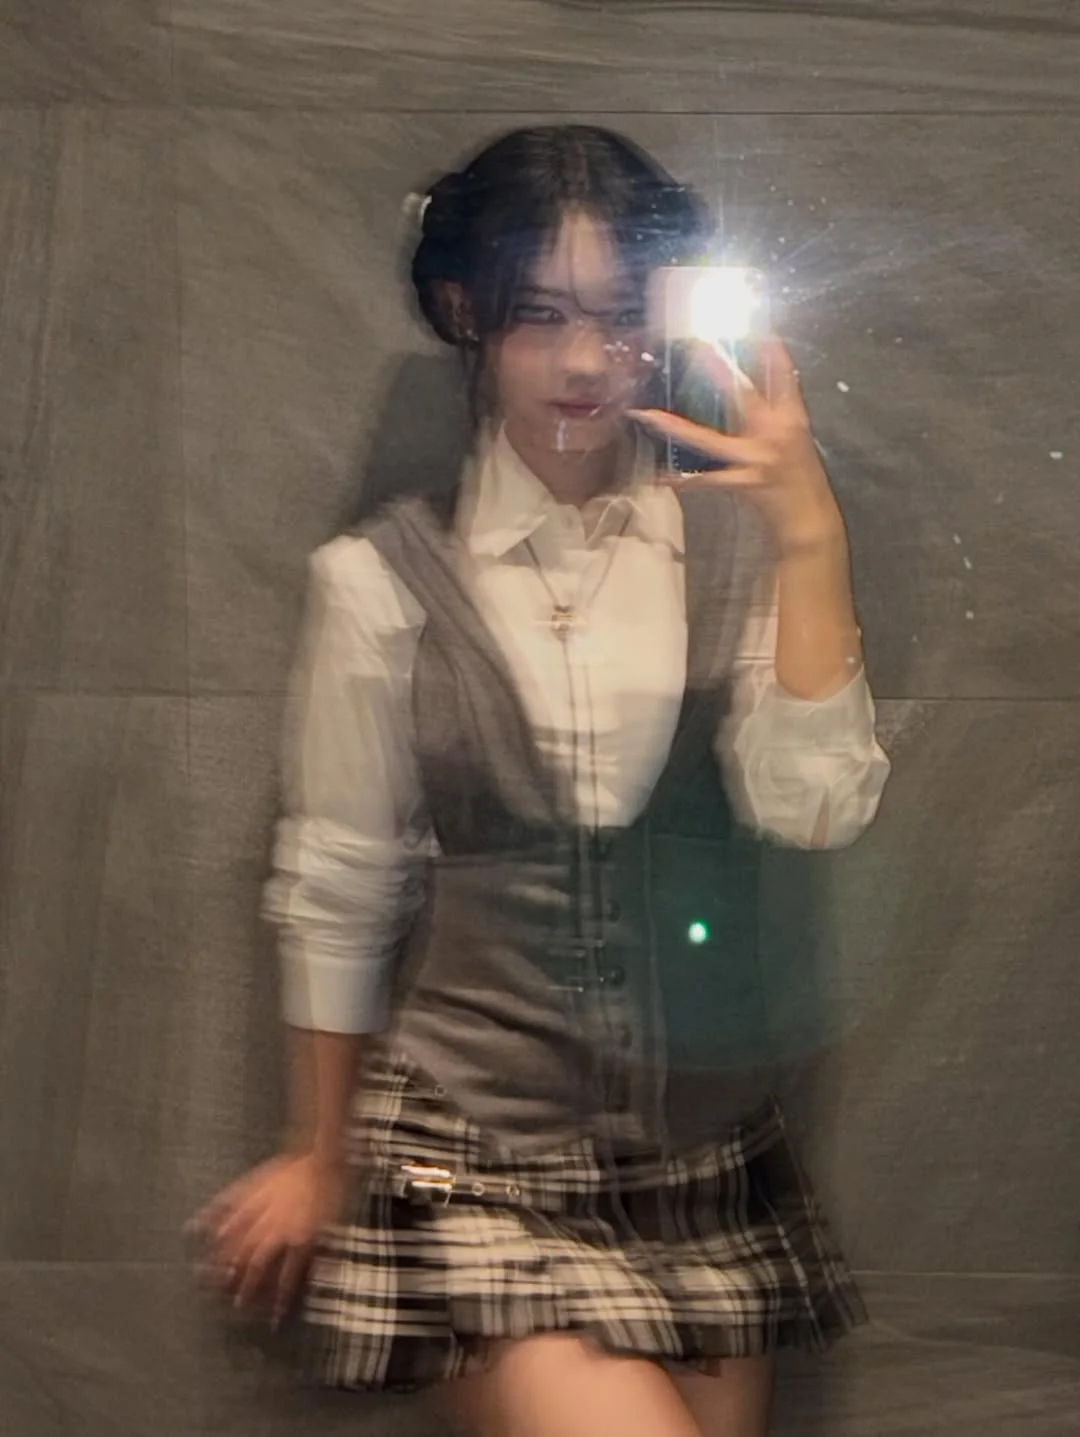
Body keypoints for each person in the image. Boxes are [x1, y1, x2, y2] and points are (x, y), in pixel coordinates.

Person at [192, 125, 891, 1437]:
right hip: (475, 1156)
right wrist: (316, 1151)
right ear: (469, 311)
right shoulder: (379, 584)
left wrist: (810, 535)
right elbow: (341, 887)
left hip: (703, 1161)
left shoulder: (737, 548)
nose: (584, 361)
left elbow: (816, 808)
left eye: (620, 316)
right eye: (541, 316)